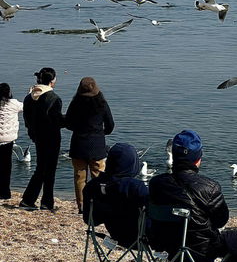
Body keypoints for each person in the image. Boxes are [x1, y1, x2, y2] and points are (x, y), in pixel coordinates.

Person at [148, 129, 237, 262]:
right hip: (199, 253)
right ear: (198, 159)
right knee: (230, 237)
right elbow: (221, 220)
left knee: (201, 232)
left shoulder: (156, 184)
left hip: (166, 247)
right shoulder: (210, 187)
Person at [83, 142, 148, 248]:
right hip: (141, 239)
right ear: (133, 163)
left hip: (116, 236)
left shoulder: (93, 186)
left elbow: (90, 220)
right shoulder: (136, 188)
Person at [65, 77, 115, 214]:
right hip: (97, 144)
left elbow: (68, 123)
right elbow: (110, 125)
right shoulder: (102, 104)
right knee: (99, 177)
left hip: (78, 143)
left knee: (79, 177)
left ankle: (82, 206)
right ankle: (99, 205)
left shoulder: (75, 104)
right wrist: (102, 133)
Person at [20, 68, 64, 211]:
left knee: (40, 168)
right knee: (49, 170)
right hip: (51, 138)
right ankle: (46, 202)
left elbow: (26, 118)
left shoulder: (29, 97)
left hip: (37, 136)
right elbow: (57, 121)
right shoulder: (53, 98)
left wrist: (31, 133)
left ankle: (29, 199)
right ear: (52, 81)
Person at [0, 83, 24, 200]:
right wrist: (31, 94)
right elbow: (26, 106)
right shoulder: (13, 104)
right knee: (6, 167)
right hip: (7, 141)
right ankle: (4, 193)